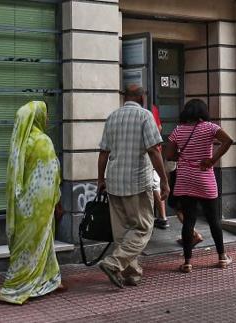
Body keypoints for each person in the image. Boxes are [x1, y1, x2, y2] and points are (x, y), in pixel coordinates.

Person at [97, 85, 169, 288]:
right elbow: (154, 151)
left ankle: (132, 274)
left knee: (123, 233)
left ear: (124, 97)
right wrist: (164, 180)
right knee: (143, 228)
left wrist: (100, 179)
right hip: (137, 182)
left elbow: (103, 153)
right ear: (141, 98)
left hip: (114, 182)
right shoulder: (145, 116)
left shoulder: (112, 117)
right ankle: (114, 263)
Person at [0, 101, 63, 304]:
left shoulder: (20, 141)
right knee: (36, 244)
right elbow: (50, 177)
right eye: (45, 114)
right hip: (38, 207)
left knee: (41, 244)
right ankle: (15, 287)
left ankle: (50, 278)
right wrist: (56, 200)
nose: (48, 118)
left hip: (21, 205)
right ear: (36, 118)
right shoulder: (43, 141)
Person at [165, 99, 234, 273]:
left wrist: (183, 155)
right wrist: (212, 160)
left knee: (188, 220)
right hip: (204, 178)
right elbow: (228, 141)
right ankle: (222, 258)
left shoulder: (178, 130)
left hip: (185, 179)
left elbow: (169, 154)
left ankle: (187, 262)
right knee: (213, 220)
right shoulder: (210, 127)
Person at [151, 104, 169, 229]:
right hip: (156, 150)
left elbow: (158, 128)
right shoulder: (153, 108)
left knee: (155, 184)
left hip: (151, 152)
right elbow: (160, 127)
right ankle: (162, 217)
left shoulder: (149, 108)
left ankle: (162, 217)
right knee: (155, 183)